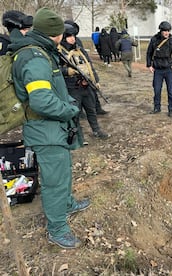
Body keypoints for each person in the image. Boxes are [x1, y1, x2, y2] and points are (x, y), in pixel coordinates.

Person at [9, 7, 90, 249]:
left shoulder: (41, 51)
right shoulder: (34, 58)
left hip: (53, 128)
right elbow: (41, 100)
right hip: (44, 130)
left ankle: (67, 204)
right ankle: (57, 229)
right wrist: (70, 110)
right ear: (54, 34)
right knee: (54, 180)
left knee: (63, 170)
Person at [59, 23, 109, 140]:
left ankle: (96, 130)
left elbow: (89, 65)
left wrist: (95, 80)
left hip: (86, 85)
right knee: (74, 113)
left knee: (91, 110)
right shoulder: (59, 52)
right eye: (69, 36)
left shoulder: (79, 50)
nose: (73, 39)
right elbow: (54, 70)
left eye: (74, 36)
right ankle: (75, 135)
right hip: (72, 87)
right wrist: (67, 71)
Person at [64, 19, 108, 115]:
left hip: (84, 71)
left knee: (92, 91)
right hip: (73, 78)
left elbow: (86, 58)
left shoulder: (77, 40)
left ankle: (97, 108)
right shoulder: (62, 44)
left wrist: (95, 78)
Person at [146, 21, 172, 117]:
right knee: (157, 90)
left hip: (168, 69)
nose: (167, 33)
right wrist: (149, 65)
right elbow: (149, 53)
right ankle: (157, 107)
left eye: (168, 31)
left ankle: (170, 109)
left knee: (170, 91)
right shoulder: (154, 40)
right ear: (161, 31)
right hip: (157, 70)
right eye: (165, 31)